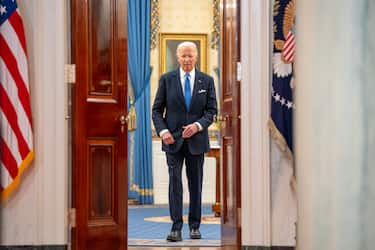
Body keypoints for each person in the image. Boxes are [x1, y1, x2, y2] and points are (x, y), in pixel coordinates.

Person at [152, 41, 217, 242]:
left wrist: (197, 126)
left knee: (195, 184)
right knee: (175, 184)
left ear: (196, 57)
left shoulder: (206, 81)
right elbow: (156, 110)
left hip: (197, 141)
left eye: (190, 56)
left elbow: (211, 111)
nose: (187, 59)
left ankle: (195, 226)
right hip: (172, 141)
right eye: (183, 56)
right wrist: (163, 132)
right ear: (178, 58)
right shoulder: (166, 79)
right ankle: (176, 227)